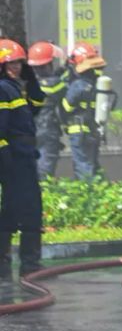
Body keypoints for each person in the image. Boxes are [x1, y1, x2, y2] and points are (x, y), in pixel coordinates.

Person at [0, 39, 46, 280]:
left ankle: (6, 261)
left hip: (24, 157)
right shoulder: (2, 88)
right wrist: (5, 155)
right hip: (15, 159)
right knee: (29, 209)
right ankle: (29, 264)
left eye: (18, 63)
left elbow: (37, 106)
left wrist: (31, 78)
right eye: (10, 63)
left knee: (12, 209)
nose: (15, 67)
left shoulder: (15, 87)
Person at [62, 42, 106, 179]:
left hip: (78, 130)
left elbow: (66, 107)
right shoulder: (97, 84)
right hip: (94, 130)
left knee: (82, 165)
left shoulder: (77, 85)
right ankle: (101, 190)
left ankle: (88, 193)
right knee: (92, 163)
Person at [27, 41, 67, 180]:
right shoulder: (55, 84)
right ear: (48, 64)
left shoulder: (26, 84)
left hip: (29, 131)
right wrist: (66, 72)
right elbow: (61, 89)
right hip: (47, 130)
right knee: (45, 169)